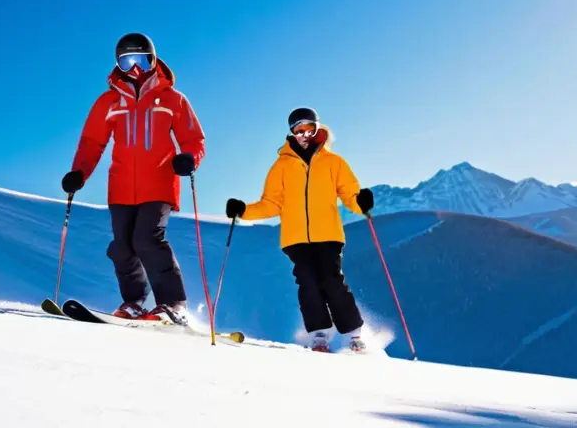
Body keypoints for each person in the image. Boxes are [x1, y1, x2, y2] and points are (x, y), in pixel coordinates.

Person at [60, 32, 206, 325]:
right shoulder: (109, 102)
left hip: (160, 182)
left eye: (141, 60)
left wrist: (189, 158)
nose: (135, 68)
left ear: (152, 60)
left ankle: (173, 303)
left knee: (148, 239)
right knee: (122, 247)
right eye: (127, 62)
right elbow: (92, 142)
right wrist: (79, 173)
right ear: (118, 65)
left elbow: (193, 138)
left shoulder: (172, 99)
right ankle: (134, 302)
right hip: (121, 187)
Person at [225, 107, 374, 352]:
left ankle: (354, 335)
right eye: (298, 130)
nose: (304, 134)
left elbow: (350, 194)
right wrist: (243, 210)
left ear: (318, 128)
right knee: (308, 283)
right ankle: (319, 335)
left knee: (331, 281)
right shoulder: (281, 166)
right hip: (295, 238)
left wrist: (361, 203)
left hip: (328, 234)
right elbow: (271, 203)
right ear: (292, 133)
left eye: (308, 128)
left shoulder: (333, 162)